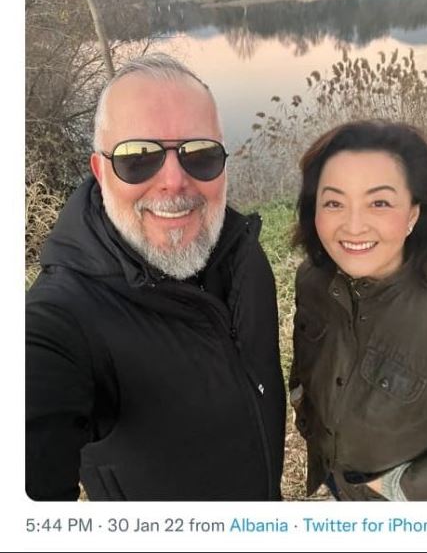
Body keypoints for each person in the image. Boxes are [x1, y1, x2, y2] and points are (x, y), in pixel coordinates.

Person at [26, 54, 286, 501]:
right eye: (137, 157)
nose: (174, 181)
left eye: (200, 154)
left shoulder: (243, 252)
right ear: (99, 171)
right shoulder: (67, 318)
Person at [289, 120, 427, 501]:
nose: (354, 226)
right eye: (334, 202)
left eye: (379, 203)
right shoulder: (311, 280)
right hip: (333, 479)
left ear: (413, 214)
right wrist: (300, 398)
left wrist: (404, 486)